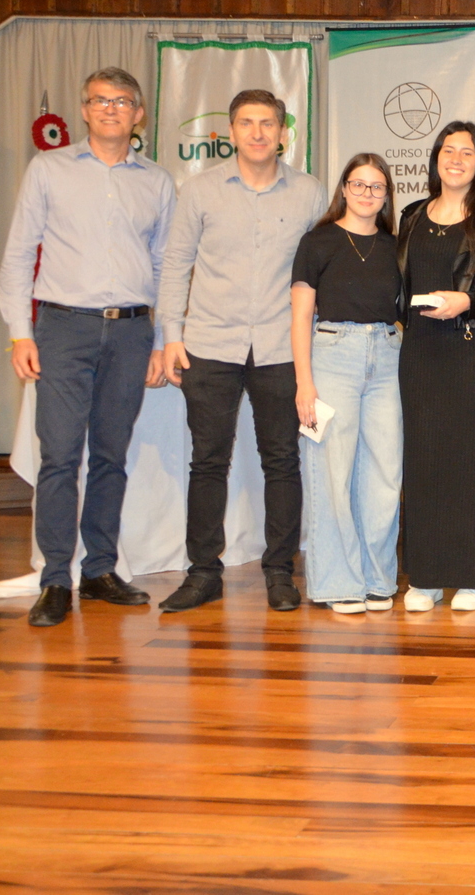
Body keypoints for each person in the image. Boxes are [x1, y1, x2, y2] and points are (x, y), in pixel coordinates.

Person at [0, 67, 174, 628]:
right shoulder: (48, 170)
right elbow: (18, 254)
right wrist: (20, 332)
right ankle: (56, 578)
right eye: (100, 100)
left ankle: (99, 570)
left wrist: (162, 341)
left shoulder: (157, 182)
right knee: (59, 456)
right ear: (84, 110)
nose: (110, 109)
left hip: (130, 332)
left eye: (121, 101)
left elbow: (165, 268)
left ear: (138, 114)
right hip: (62, 329)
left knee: (110, 456)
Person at [157, 89, 326, 613]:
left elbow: (322, 273)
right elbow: (175, 263)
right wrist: (171, 335)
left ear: (283, 132)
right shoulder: (199, 191)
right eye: (247, 123)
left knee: (282, 462)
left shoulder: (310, 193)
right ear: (230, 132)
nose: (257, 132)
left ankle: (279, 572)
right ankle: (203, 573)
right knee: (208, 462)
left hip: (281, 347)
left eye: (267, 123)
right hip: (209, 345)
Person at [396, 121, 475, 613]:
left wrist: (466, 301)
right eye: (449, 150)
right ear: (436, 158)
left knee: (473, 460)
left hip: (472, 349)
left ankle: (474, 577)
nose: (457, 159)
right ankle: (424, 577)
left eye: (468, 152)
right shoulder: (411, 216)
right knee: (424, 460)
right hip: (420, 352)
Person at [290, 154, 404, 615]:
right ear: (343, 187)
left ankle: (377, 579)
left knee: (385, 475)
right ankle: (337, 582)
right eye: (359, 184)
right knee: (331, 472)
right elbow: (301, 316)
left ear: (386, 195)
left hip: (388, 355)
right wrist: (304, 384)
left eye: (377, 186)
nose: (367, 193)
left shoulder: (396, 246)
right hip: (332, 354)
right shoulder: (317, 242)